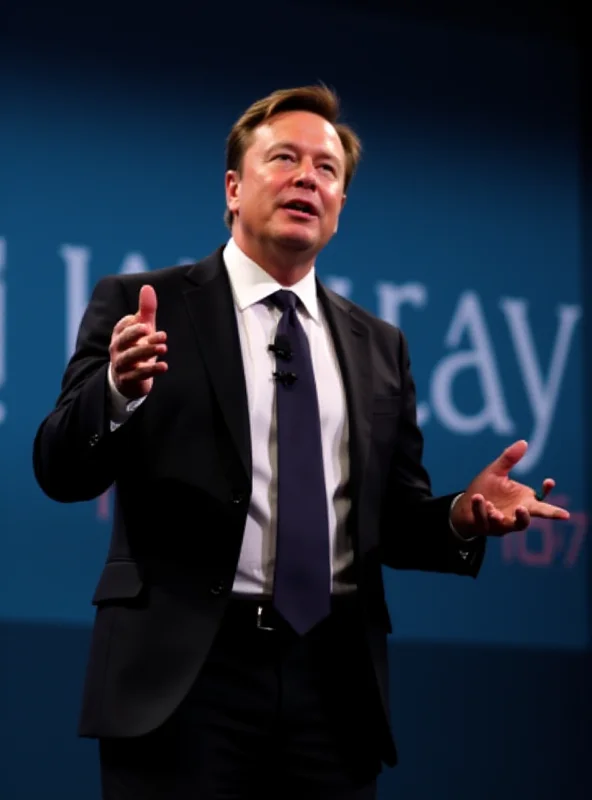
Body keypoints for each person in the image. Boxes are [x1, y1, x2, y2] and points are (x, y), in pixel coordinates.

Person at [32, 85, 569, 800]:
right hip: (186, 680)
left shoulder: (380, 346)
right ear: (232, 188)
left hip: (335, 687)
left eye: (326, 169)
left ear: (340, 207)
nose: (307, 178)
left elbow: (393, 519)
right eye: (284, 158)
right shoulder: (143, 305)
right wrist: (117, 393)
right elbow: (60, 469)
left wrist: (461, 515)